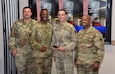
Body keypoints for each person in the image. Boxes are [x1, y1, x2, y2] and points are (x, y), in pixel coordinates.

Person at [8, 7, 38, 74]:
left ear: (31, 13)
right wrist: (13, 49)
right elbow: (12, 37)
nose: (26, 13)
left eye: (28, 11)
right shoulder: (17, 24)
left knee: (33, 72)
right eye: (25, 11)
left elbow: (39, 38)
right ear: (22, 13)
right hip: (20, 53)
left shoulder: (36, 24)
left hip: (32, 53)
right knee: (21, 72)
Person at [26, 9, 52, 74]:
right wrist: (39, 47)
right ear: (40, 15)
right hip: (38, 57)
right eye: (43, 14)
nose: (45, 16)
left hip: (48, 57)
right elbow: (31, 39)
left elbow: (52, 39)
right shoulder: (35, 26)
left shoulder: (50, 26)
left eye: (46, 14)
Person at [51, 9, 77, 74]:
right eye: (59, 15)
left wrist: (65, 48)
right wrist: (54, 53)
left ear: (65, 16)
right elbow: (53, 41)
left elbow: (75, 42)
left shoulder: (70, 27)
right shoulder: (55, 27)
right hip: (58, 56)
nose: (61, 16)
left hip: (67, 56)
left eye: (62, 15)